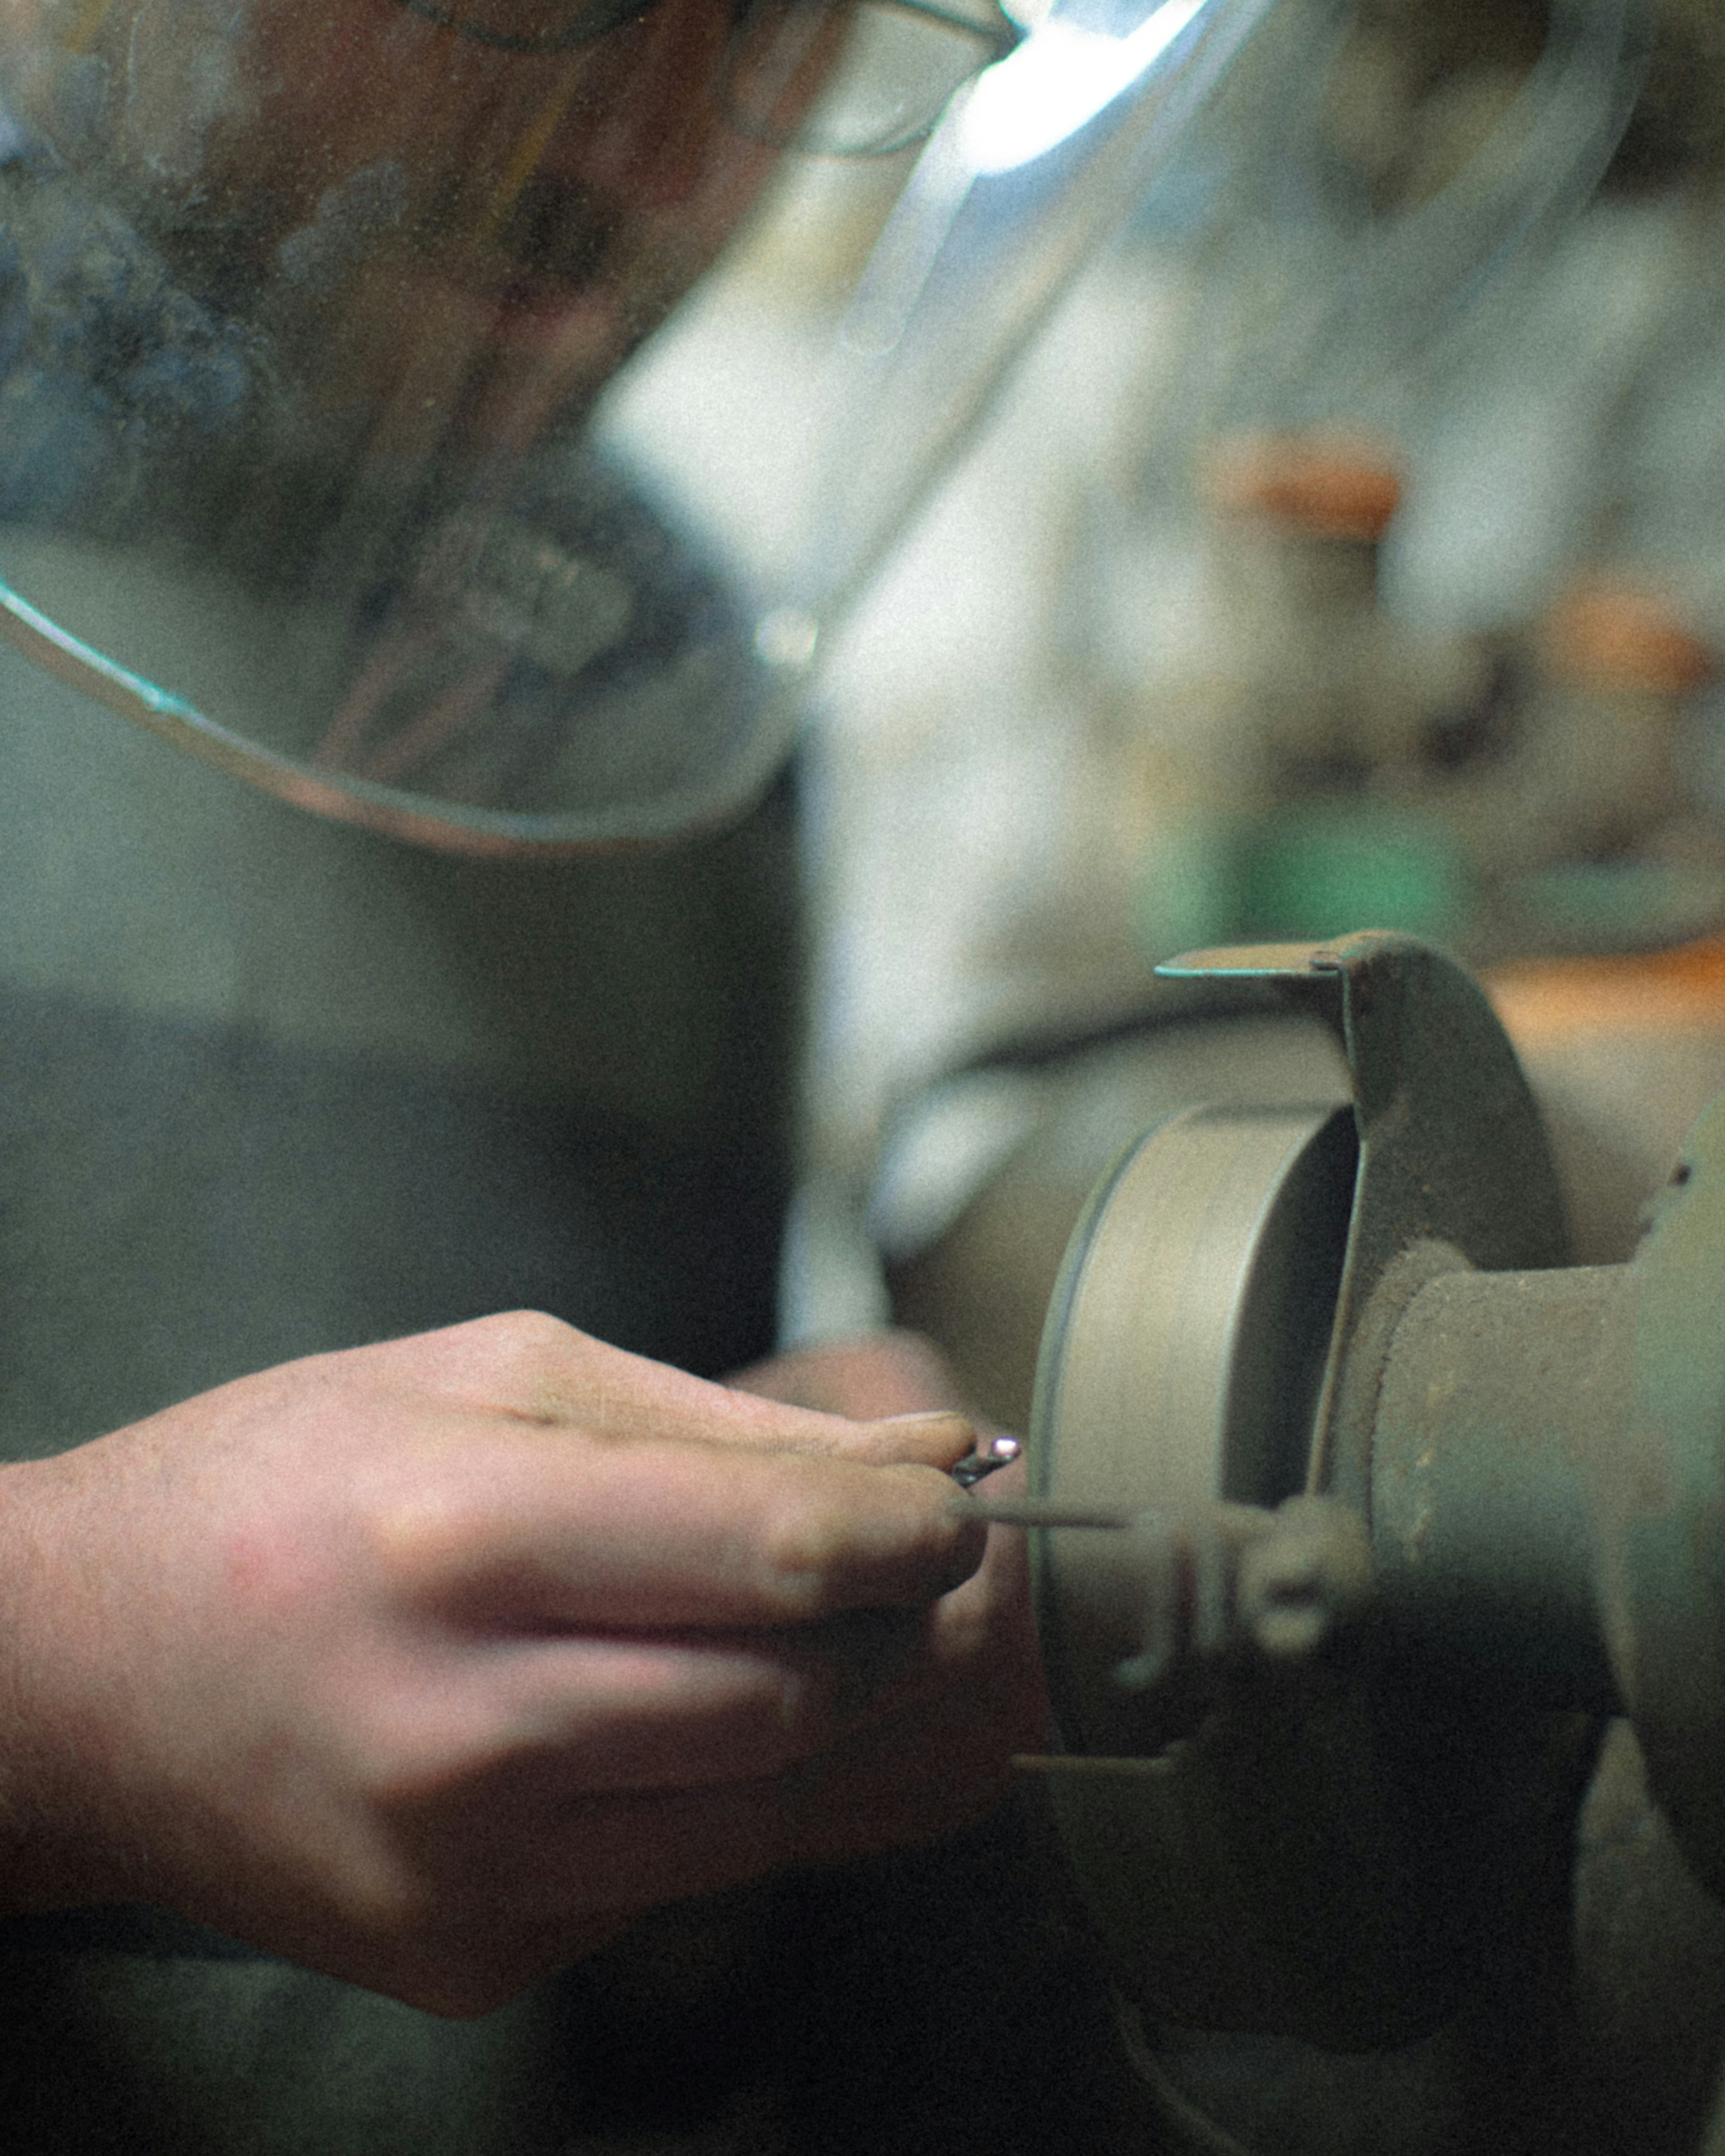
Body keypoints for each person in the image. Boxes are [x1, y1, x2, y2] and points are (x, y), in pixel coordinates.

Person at [0, 1, 1109, 2149]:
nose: (664, 156)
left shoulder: (642, 679)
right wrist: (58, 1691)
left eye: (790, 36)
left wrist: (763, 1670)